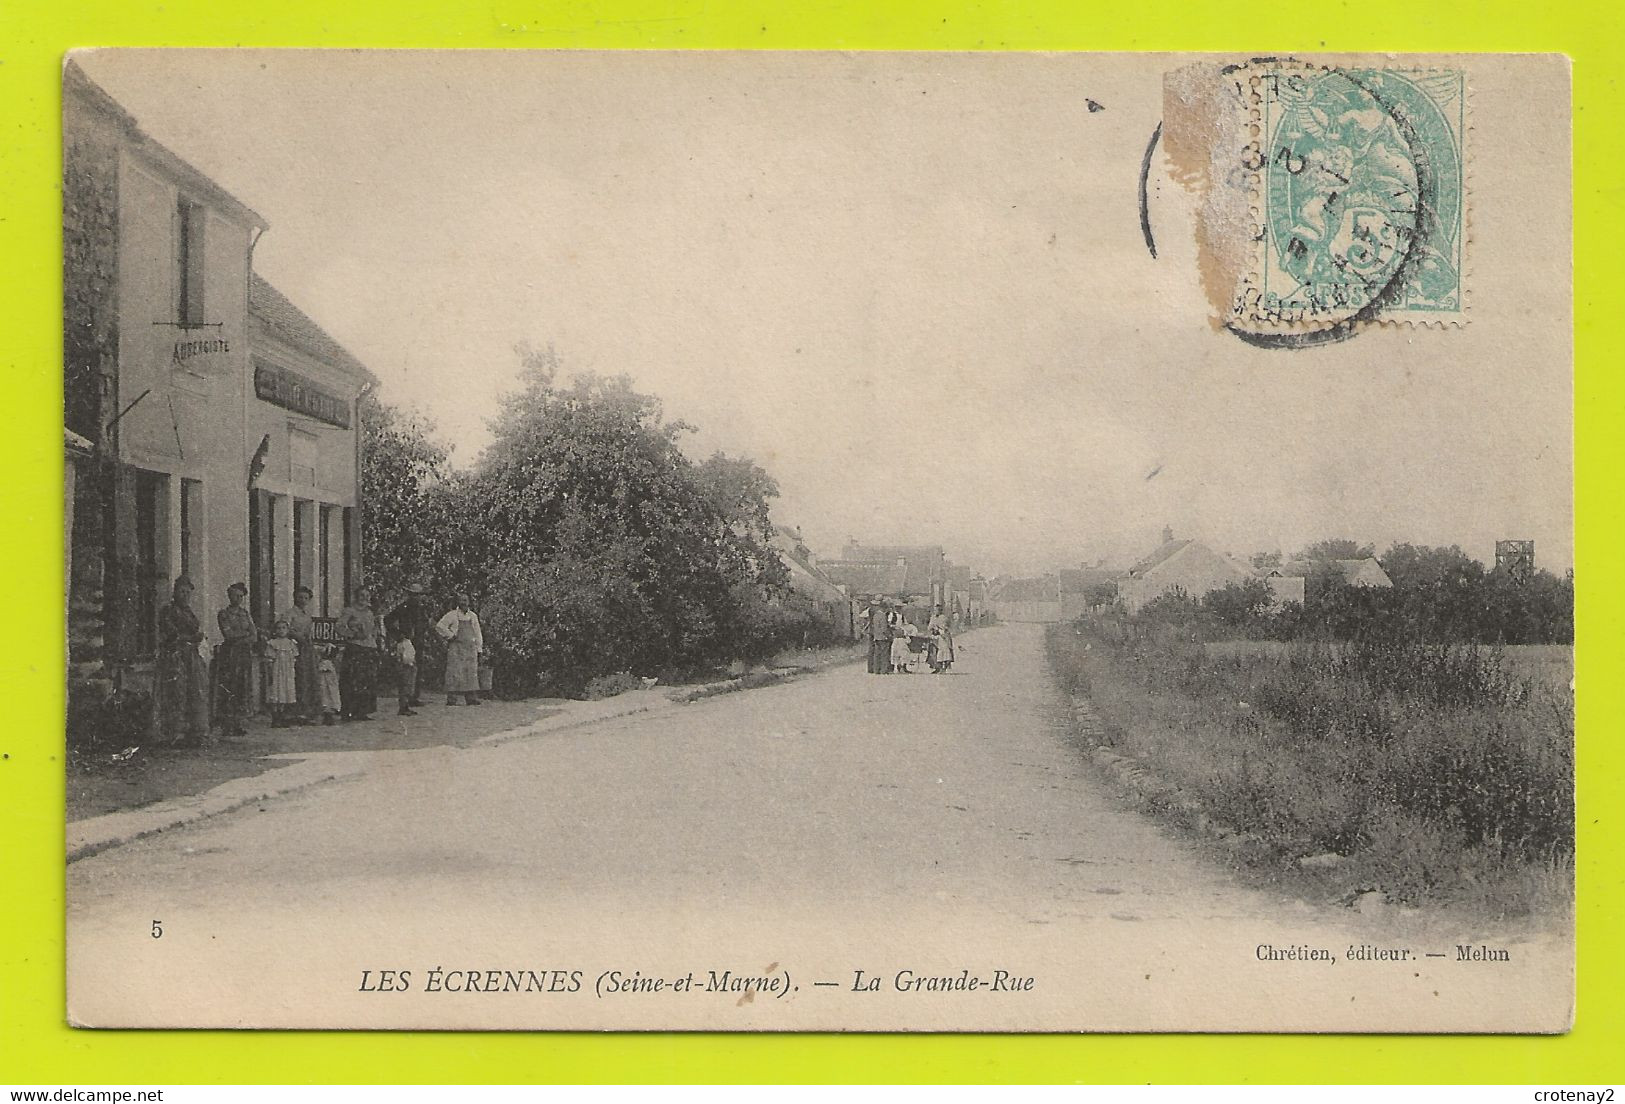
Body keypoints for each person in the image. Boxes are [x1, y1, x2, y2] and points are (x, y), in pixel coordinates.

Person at [153, 576, 209, 747]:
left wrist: (195, 638)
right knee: (175, 693)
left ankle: (193, 732)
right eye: (181, 592)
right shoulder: (167, 611)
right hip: (174, 657)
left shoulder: (189, 612)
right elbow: (172, 634)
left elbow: (194, 630)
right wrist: (192, 637)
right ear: (175, 592)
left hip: (191, 657)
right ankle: (174, 734)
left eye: (188, 593)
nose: (184, 595)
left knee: (194, 692)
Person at [214, 582, 260, 738]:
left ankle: (238, 723)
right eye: (235, 595)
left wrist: (242, 637)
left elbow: (254, 635)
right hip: (230, 655)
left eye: (241, 596)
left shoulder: (245, 614)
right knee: (229, 687)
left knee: (242, 687)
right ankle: (227, 724)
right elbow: (228, 635)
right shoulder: (224, 614)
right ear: (229, 596)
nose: (238, 599)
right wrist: (244, 637)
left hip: (244, 655)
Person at [383, 582, 432, 707]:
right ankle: (405, 698)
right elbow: (387, 620)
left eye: (418, 595)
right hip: (407, 641)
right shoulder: (403, 608)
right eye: (413, 595)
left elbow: (426, 623)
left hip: (418, 642)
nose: (416, 598)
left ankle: (414, 697)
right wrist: (398, 635)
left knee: (418, 669)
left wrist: (424, 635)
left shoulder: (422, 609)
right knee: (406, 670)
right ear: (409, 595)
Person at [336, 586, 380, 721]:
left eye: (367, 596)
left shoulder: (369, 612)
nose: (365, 598)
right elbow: (339, 626)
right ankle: (348, 711)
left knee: (366, 680)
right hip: (355, 648)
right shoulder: (350, 611)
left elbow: (373, 630)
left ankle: (362, 711)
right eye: (362, 595)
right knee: (351, 679)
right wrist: (352, 634)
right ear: (356, 596)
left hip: (369, 648)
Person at [436, 592, 484, 705]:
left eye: (466, 600)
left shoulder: (473, 616)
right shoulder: (452, 615)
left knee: (470, 672)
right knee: (454, 672)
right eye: (462, 600)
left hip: (470, 648)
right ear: (458, 602)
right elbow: (439, 626)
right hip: (456, 648)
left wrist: (479, 648)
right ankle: (452, 698)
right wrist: (450, 635)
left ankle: (471, 698)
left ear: (469, 602)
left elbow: (478, 633)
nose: (464, 603)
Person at [286, 586, 322, 723]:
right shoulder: (290, 613)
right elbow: (284, 628)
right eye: (300, 597)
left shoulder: (307, 615)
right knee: (299, 677)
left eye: (306, 598)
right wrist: (296, 635)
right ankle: (297, 711)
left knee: (309, 677)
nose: (303, 600)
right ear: (295, 597)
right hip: (294, 647)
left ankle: (309, 712)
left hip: (306, 648)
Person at [264, 618, 300, 727]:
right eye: (278, 628)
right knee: (276, 692)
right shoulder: (272, 643)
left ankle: (283, 716)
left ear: (288, 630)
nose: (281, 630)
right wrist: (270, 672)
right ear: (275, 630)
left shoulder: (291, 643)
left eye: (284, 628)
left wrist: (292, 670)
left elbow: (294, 658)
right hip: (277, 671)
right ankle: (275, 717)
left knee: (285, 693)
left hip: (287, 672)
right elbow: (270, 660)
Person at [391, 627, 419, 717]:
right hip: (406, 666)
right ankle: (403, 707)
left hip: (408, 665)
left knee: (408, 687)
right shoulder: (404, 644)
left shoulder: (405, 643)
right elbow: (406, 657)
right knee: (405, 687)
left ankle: (405, 706)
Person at [863, 597, 892, 675]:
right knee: (884, 653)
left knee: (876, 653)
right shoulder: (882, 615)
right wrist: (888, 635)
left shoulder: (874, 613)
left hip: (875, 634)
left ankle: (875, 669)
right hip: (881, 635)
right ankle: (883, 669)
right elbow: (883, 628)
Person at [317, 645, 342, 726]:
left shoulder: (331, 663)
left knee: (330, 697)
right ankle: (327, 716)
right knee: (326, 696)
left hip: (331, 684)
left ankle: (330, 715)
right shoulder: (326, 663)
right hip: (326, 683)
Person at [927, 604, 956, 673]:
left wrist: (938, 628)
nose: (935, 612)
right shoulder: (933, 617)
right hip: (935, 636)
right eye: (934, 610)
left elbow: (945, 627)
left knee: (945, 652)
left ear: (940, 610)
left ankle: (944, 668)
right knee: (933, 651)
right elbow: (929, 627)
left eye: (937, 610)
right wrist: (932, 628)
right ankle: (937, 667)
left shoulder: (943, 618)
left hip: (943, 637)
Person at [891, 607, 918, 673]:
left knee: (904, 653)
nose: (898, 609)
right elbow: (891, 625)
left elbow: (906, 625)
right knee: (896, 652)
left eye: (900, 608)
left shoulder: (902, 616)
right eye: (897, 607)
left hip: (903, 637)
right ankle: (898, 667)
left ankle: (903, 667)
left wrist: (906, 631)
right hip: (896, 637)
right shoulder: (893, 615)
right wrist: (896, 629)